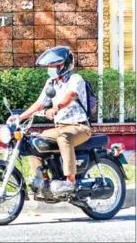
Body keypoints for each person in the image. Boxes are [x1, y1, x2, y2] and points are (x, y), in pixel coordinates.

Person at [7, 46, 92, 195]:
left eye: (53, 65)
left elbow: (69, 96)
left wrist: (56, 108)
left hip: (79, 127)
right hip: (60, 126)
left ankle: (70, 181)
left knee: (63, 139)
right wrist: (19, 117)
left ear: (63, 65)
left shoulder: (75, 79)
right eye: (49, 66)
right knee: (34, 142)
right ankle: (42, 180)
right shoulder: (51, 82)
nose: (50, 69)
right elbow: (39, 104)